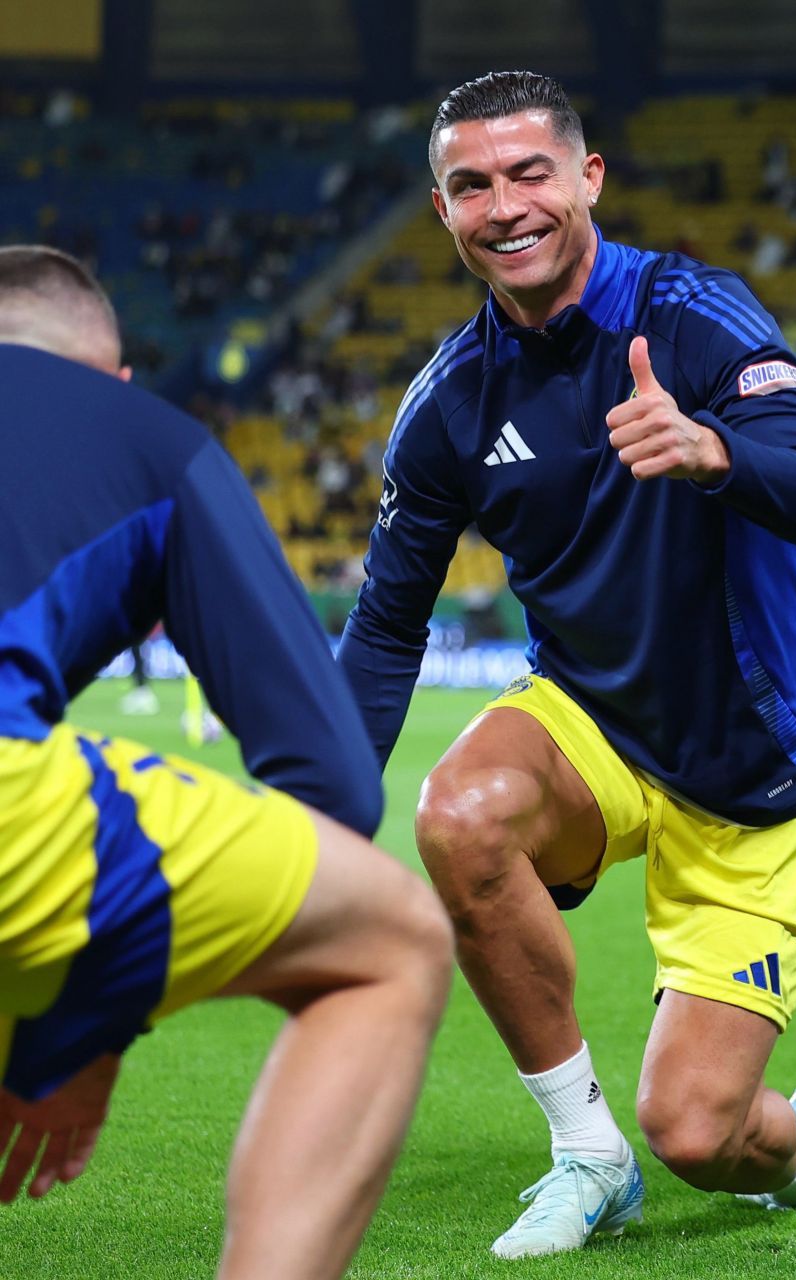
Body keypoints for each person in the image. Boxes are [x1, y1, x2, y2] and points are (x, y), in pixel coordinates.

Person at [336, 73, 796, 1259]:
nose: (505, 205)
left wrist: (712, 447)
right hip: (592, 722)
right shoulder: (447, 405)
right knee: (458, 815)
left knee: (700, 1132)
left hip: (753, 766)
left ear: (588, 178)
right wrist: (321, 807)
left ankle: (794, 1141)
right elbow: (385, 626)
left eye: (531, 172)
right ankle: (585, 1154)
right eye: (472, 184)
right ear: (443, 211)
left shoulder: (691, 313)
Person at [0, 246, 452, 1277]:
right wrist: (89, 1022)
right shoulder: (146, 436)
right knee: (391, 941)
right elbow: (333, 782)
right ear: (109, 380)